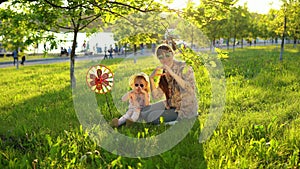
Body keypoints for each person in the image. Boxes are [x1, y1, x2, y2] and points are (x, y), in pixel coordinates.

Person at [140, 43, 198, 124]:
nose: (165, 59)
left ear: (172, 54)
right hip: (170, 105)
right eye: (161, 57)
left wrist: (173, 74)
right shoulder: (164, 72)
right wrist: (151, 79)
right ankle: (128, 119)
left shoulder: (184, 67)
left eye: (167, 55)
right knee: (144, 111)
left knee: (151, 116)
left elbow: (190, 89)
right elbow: (156, 96)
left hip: (184, 109)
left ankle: (173, 121)